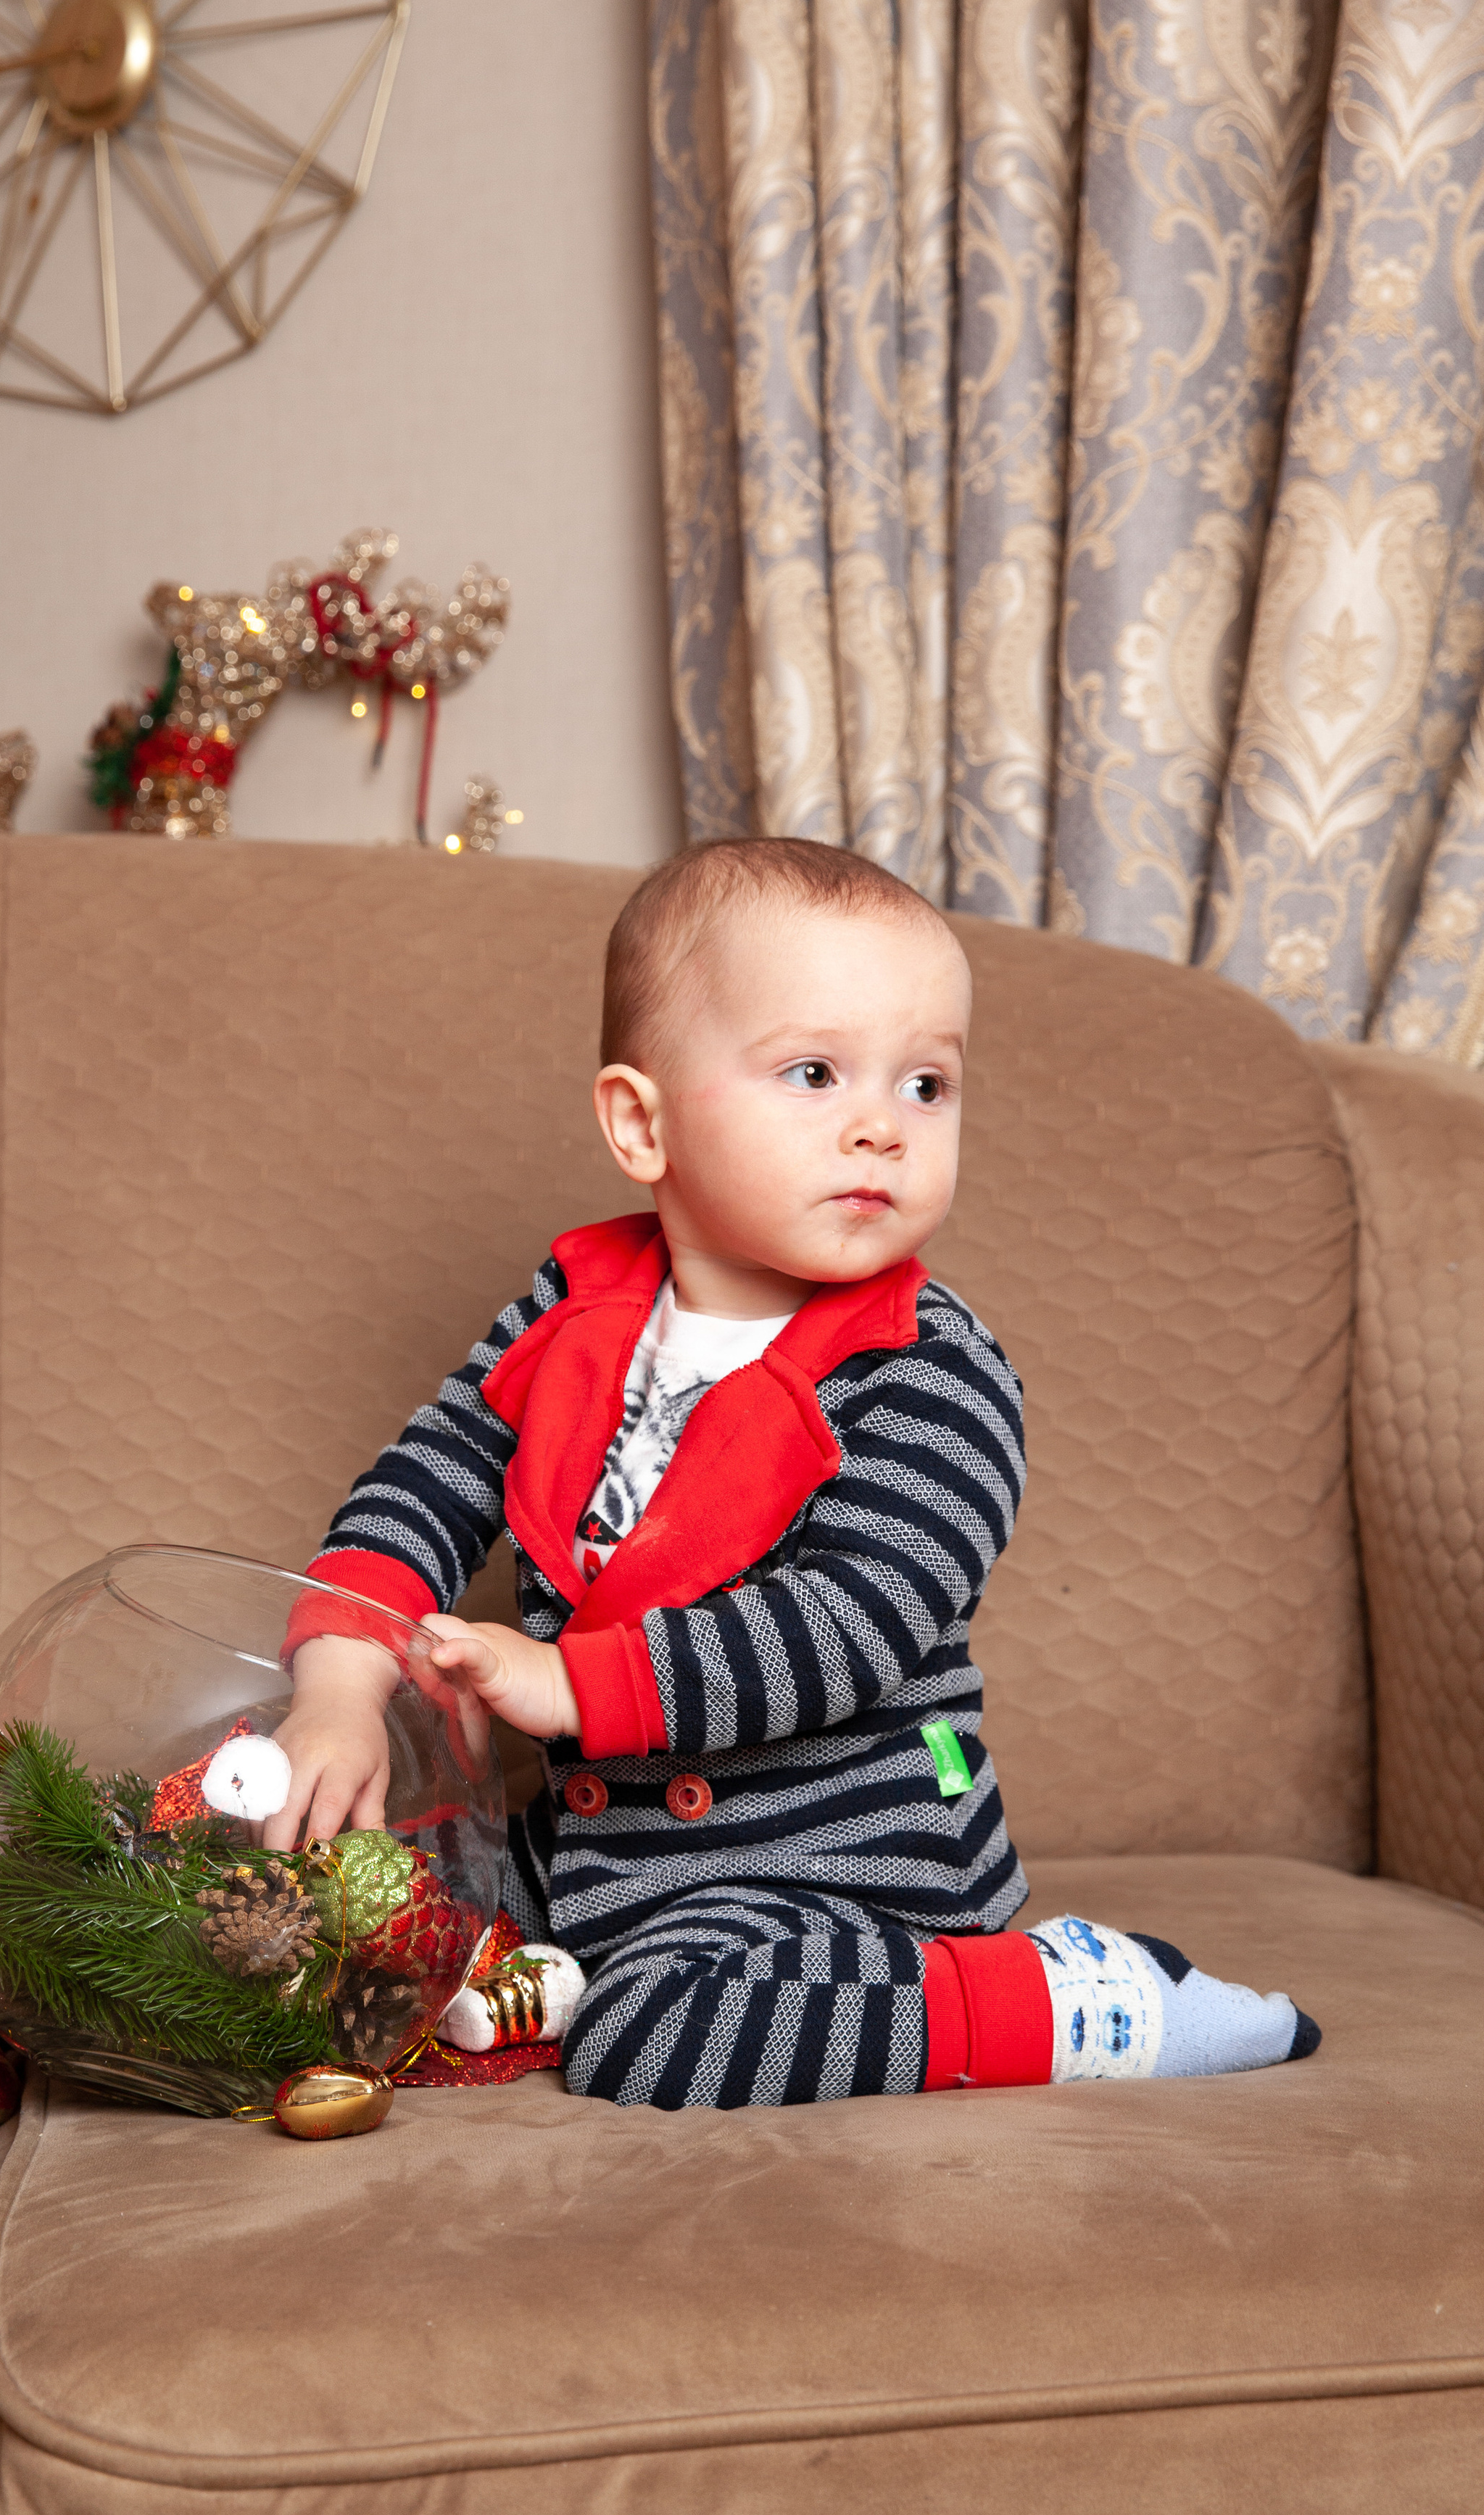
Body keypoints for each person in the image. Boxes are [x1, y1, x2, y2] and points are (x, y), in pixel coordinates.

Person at [263, 838, 1321, 2108]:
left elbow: (849, 1624)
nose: (881, 1123)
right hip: (598, 1849)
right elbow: (429, 1481)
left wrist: (570, 1682)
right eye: (815, 1074)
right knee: (320, 1891)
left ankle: (1056, 1999)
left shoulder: (928, 1368)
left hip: (837, 1857)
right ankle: (70, 1858)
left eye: (927, 1084)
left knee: (653, 2044)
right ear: (641, 1122)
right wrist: (340, 1682)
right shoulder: (573, 1304)